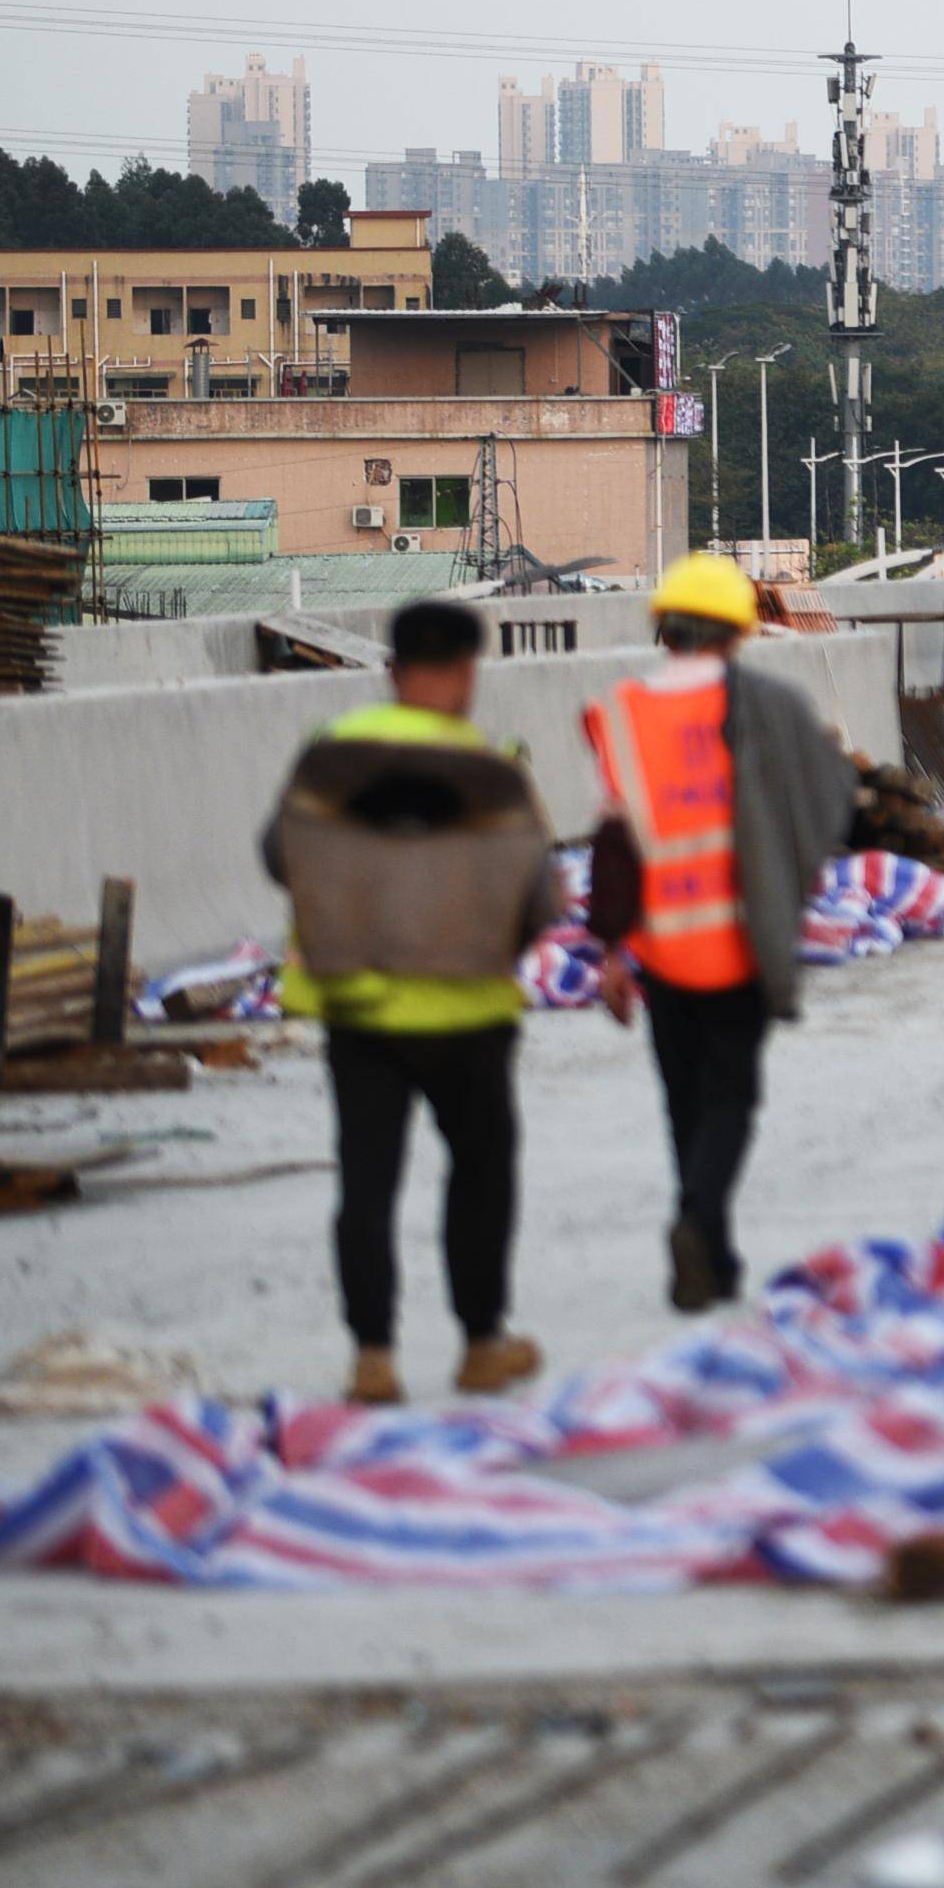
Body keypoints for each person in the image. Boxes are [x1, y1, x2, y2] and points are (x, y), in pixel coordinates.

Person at [262, 596, 559, 1406]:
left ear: (391, 672)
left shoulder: (330, 757)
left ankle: (373, 1357)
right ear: (468, 672)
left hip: (357, 1009)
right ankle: (480, 1343)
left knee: (366, 1182)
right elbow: (541, 894)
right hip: (467, 1011)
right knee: (481, 1173)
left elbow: (278, 854)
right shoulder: (496, 770)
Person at [582, 552, 853, 1312]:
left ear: (663, 627)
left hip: (661, 945)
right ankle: (699, 1226)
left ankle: (712, 1248)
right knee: (731, 1100)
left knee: (683, 1101)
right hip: (739, 936)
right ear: (739, 631)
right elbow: (830, 803)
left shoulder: (621, 713)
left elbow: (612, 843)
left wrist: (610, 952)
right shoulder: (769, 704)